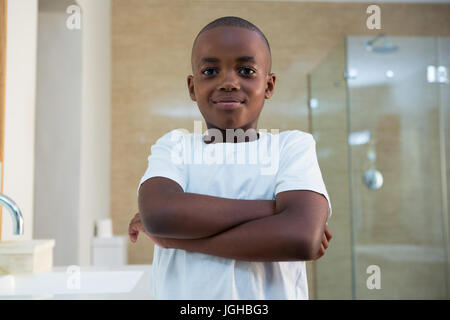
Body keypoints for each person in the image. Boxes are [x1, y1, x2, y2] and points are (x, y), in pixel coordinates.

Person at [129, 16, 332, 300]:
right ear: (192, 87)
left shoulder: (292, 146)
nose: (228, 82)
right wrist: (275, 211)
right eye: (210, 70)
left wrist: (174, 238)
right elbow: (158, 215)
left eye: (246, 71)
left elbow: (301, 238)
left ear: (269, 85)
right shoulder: (174, 145)